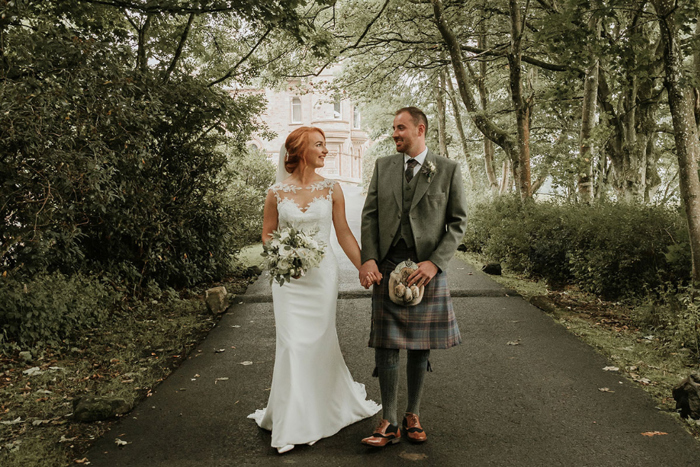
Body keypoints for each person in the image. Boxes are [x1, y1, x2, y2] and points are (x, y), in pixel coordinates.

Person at [248, 126, 381, 454]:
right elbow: (267, 234)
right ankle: (293, 420)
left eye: (324, 146)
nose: (325, 151)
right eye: (319, 146)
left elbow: (345, 234)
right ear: (300, 151)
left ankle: (320, 408)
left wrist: (365, 264)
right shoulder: (276, 192)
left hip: (321, 278)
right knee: (292, 344)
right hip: (289, 282)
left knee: (319, 341)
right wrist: (281, 255)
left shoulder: (331, 189)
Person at [358, 107, 468, 447]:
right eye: (393, 128)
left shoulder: (447, 169)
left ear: (420, 129)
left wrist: (435, 263)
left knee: (420, 345)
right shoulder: (383, 166)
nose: (395, 134)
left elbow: (457, 223)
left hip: (426, 269)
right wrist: (370, 259)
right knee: (386, 344)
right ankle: (389, 420)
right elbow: (370, 216)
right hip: (388, 265)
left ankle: (413, 414)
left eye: (401, 128)